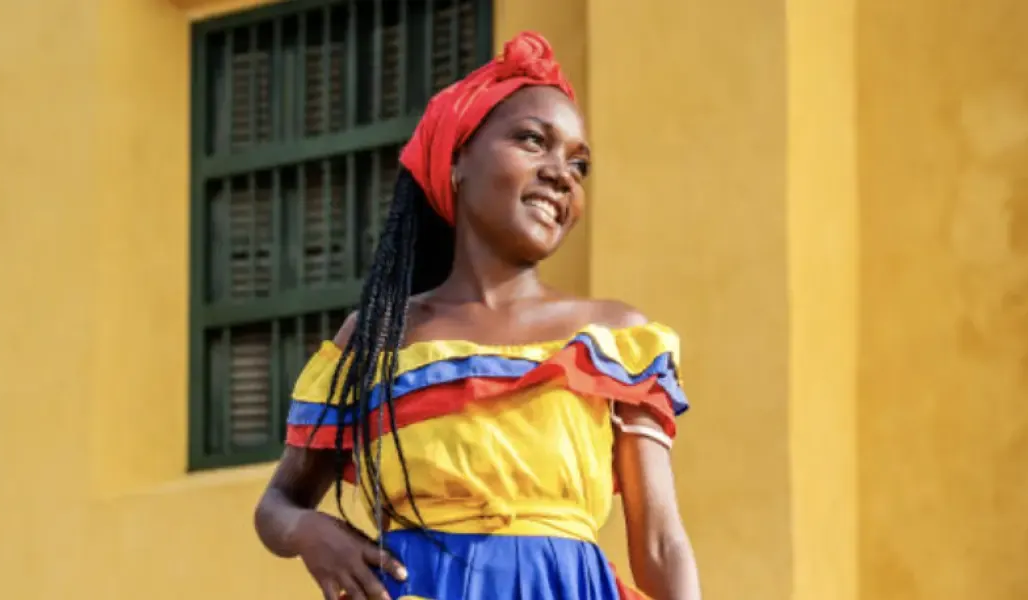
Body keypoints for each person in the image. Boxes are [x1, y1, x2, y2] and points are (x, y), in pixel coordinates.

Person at [253, 31, 700, 600]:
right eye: (533, 141)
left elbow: (661, 543)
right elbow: (278, 504)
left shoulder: (617, 339)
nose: (562, 174)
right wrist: (310, 531)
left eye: (579, 163)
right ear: (457, 157)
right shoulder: (380, 338)